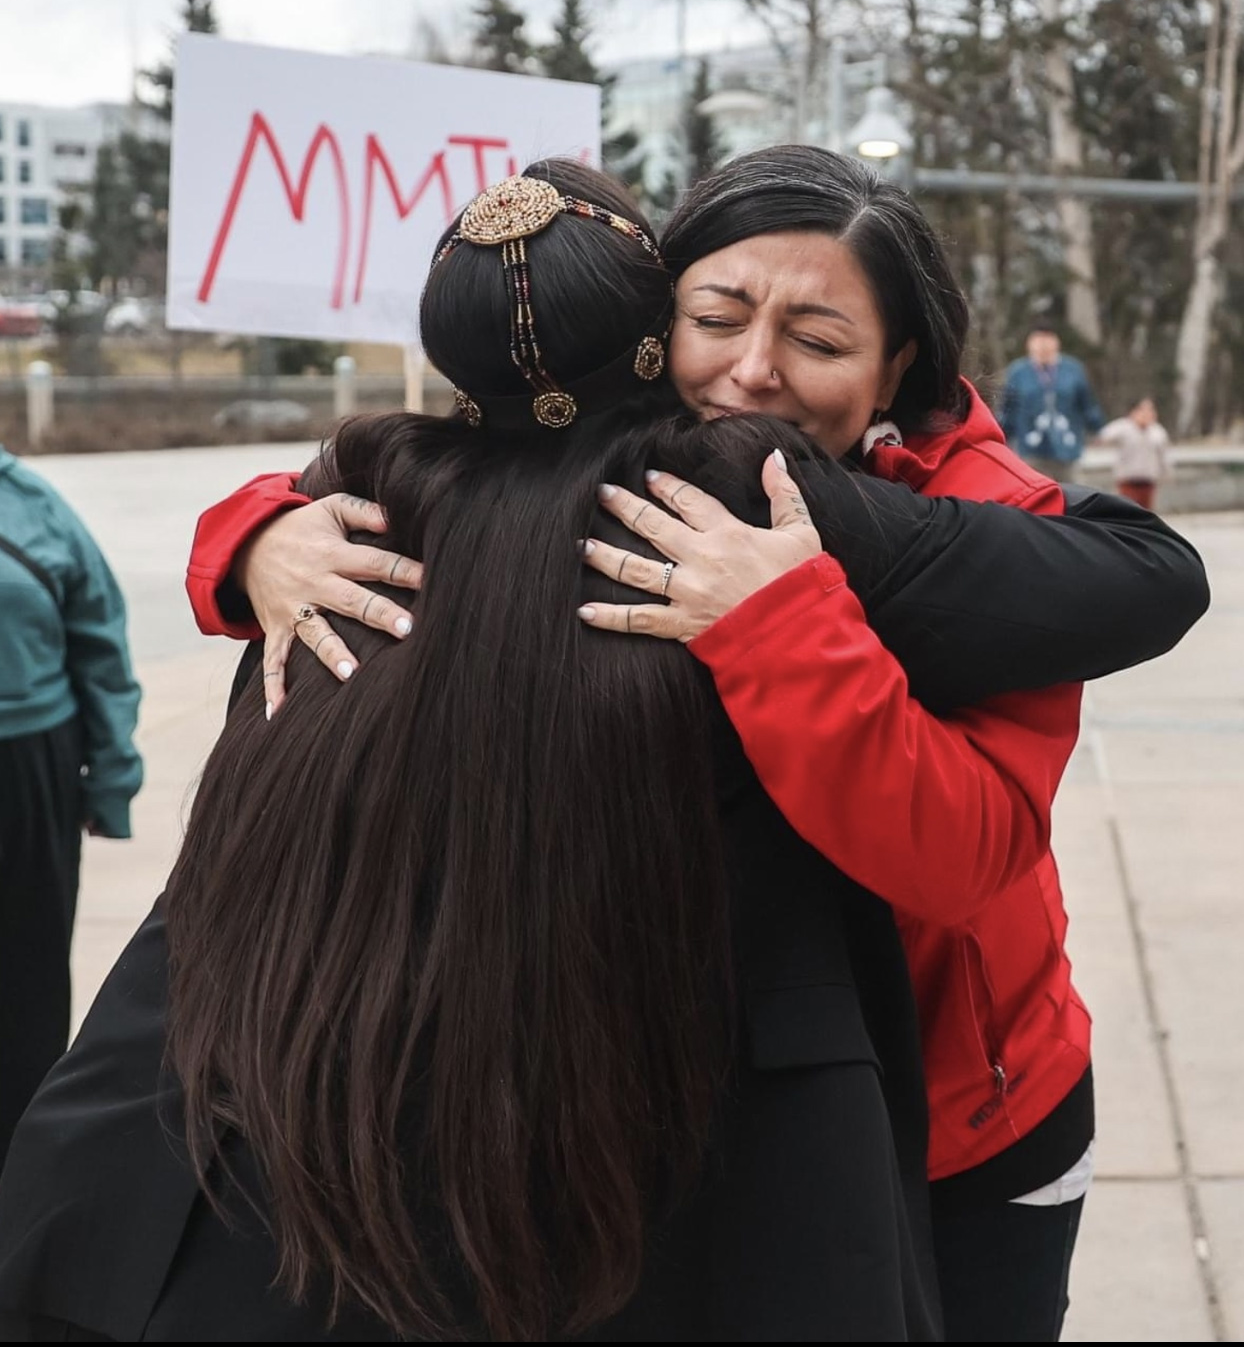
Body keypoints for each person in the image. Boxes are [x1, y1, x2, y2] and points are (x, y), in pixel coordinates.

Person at [0, 165, 1208, 1343]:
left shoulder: (920, 497)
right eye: (715, 318)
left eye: (819, 340)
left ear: (901, 364)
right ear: (643, 320)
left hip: (971, 1099)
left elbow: (1014, 772)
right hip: (714, 1088)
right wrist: (256, 533)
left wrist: (776, 622)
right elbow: (423, 474)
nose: (751, 372)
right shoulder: (613, 477)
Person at [0, 442, 142, 1169]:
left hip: (28, 766)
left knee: (25, 972)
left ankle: (20, 1159)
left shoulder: (33, 504)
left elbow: (100, 646)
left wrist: (111, 780)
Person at [1000, 324, 1106, 482]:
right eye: (1038, 340)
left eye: (1048, 340)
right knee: (1033, 495)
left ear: (1057, 343)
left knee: (1073, 496)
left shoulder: (1073, 369)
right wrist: (1002, 435)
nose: (1043, 345)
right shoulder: (1018, 372)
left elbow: (1086, 403)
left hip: (1066, 448)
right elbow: (1008, 408)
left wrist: (1097, 428)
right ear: (1029, 344)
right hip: (1031, 448)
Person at [1098, 397, 1172, 511]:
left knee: (1146, 512)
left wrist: (1166, 473)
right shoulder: (1124, 427)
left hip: (1148, 480)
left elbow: (1164, 455)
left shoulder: (1157, 432)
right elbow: (1105, 436)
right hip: (1128, 480)